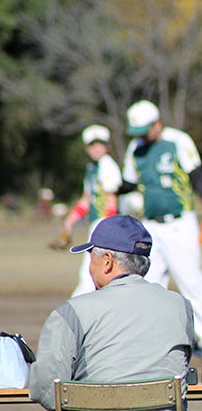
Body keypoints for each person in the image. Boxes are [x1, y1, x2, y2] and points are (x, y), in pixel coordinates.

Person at [22, 215, 202, 411]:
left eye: (91, 258)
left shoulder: (72, 311)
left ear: (107, 262)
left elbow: (45, 390)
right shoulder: (180, 307)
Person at [121, 100, 202, 363]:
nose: (141, 136)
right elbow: (128, 183)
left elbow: (196, 175)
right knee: (149, 285)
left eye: (144, 130)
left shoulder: (177, 141)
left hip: (179, 223)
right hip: (150, 226)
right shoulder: (135, 148)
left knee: (191, 281)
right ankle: (153, 341)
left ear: (157, 123)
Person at [56, 125, 122, 297]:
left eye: (100, 144)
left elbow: (111, 200)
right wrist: (69, 222)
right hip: (97, 225)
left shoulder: (107, 166)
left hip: (104, 225)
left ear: (107, 146)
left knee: (89, 275)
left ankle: (74, 310)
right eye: (93, 145)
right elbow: (86, 200)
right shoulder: (92, 168)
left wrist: (107, 231)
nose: (97, 148)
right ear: (87, 148)